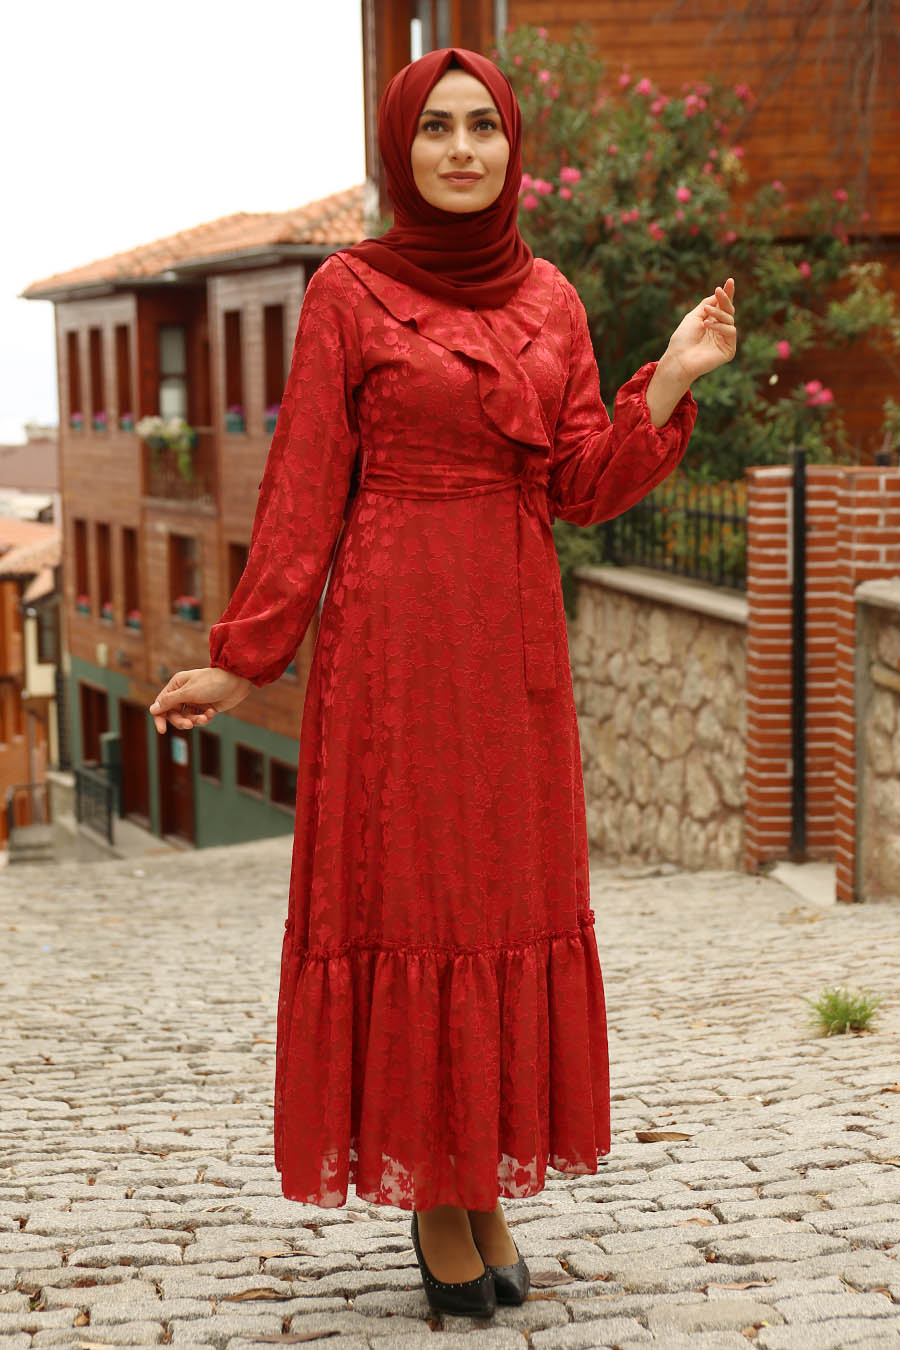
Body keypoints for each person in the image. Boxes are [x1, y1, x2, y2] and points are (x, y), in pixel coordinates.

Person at [148, 46, 736, 1320]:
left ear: (511, 148)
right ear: (401, 148)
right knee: (417, 898)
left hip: (513, 636)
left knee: (502, 897)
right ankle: (436, 1194)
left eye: (483, 128)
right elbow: (305, 485)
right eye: (436, 130)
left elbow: (578, 484)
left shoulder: (556, 301)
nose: (462, 150)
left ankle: (481, 1176)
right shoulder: (350, 293)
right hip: (393, 642)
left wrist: (672, 376)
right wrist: (246, 657)